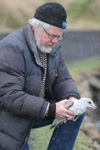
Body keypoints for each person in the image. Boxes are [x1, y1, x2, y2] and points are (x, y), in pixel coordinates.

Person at [0, 2, 85, 150]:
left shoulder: (52, 47)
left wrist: (72, 99)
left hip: (34, 110)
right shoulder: (12, 49)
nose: (55, 41)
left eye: (59, 37)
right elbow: (11, 96)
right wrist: (50, 109)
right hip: (8, 118)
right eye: (52, 35)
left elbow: (63, 78)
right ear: (36, 28)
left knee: (77, 110)